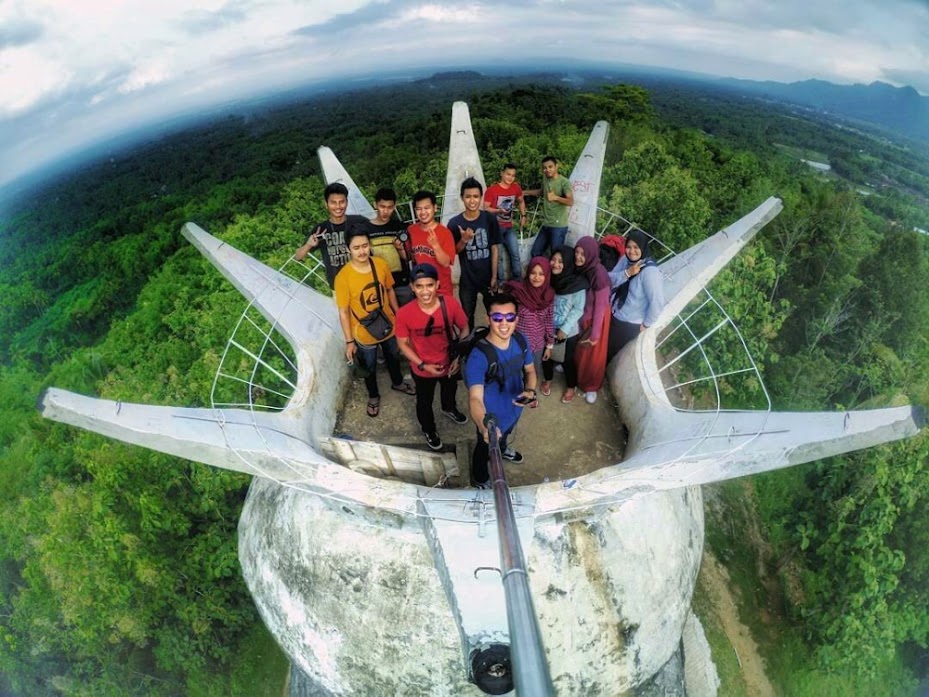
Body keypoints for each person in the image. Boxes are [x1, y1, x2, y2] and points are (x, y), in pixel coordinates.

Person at [334, 228, 416, 418]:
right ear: (348, 250)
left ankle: (397, 382)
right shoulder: (343, 277)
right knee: (369, 366)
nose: (362, 251)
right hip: (363, 331)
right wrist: (349, 341)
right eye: (356, 248)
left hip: (388, 323)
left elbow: (389, 291)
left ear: (369, 245)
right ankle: (373, 395)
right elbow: (344, 311)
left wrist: (398, 315)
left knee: (392, 356)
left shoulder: (380, 264)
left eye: (364, 246)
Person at [466, 292, 538, 488]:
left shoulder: (521, 341)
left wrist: (530, 391)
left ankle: (503, 448)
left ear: (517, 319)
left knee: (505, 435)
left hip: (514, 410)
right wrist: (483, 427)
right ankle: (480, 478)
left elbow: (530, 371)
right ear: (487, 319)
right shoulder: (478, 357)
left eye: (510, 317)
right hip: (491, 420)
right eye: (497, 318)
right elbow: (475, 399)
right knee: (484, 448)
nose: (504, 323)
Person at [395, 263, 470, 451]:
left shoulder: (450, 304)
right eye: (419, 286)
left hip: (448, 363)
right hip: (422, 369)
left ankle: (448, 408)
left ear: (437, 284)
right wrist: (422, 365)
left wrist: (457, 356)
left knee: (449, 389)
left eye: (429, 285)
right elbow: (402, 343)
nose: (425, 291)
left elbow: (465, 327)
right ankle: (429, 429)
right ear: (412, 287)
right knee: (424, 402)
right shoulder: (404, 314)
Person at [448, 177, 501, 331]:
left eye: (476, 196)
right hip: (467, 281)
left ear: (481, 197)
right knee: (466, 319)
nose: (472, 201)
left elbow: (494, 248)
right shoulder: (454, 223)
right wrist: (464, 240)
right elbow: (454, 252)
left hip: (488, 279)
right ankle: (469, 349)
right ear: (462, 198)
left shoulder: (489, 219)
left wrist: (494, 277)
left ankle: (495, 347)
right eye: (468, 197)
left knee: (495, 315)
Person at [295, 182, 369, 289]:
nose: (338, 206)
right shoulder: (320, 230)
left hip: (364, 283)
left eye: (341, 202)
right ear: (326, 204)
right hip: (339, 288)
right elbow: (298, 256)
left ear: (347, 202)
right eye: (333, 202)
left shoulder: (359, 221)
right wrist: (309, 244)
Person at [607, 230, 666, 363]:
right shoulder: (625, 260)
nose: (631, 251)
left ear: (643, 248)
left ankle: (594, 379)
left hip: (627, 323)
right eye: (628, 247)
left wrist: (646, 324)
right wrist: (627, 273)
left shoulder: (650, 273)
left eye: (636, 247)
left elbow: (657, 302)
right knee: (601, 345)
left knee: (608, 351)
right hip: (613, 310)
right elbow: (609, 279)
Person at [540, 246, 589, 402]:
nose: (555, 264)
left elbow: (578, 309)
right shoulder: (547, 279)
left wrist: (565, 328)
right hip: (548, 328)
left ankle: (570, 386)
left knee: (567, 361)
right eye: (553, 259)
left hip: (568, 332)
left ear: (568, 263)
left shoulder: (577, 285)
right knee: (545, 357)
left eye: (561, 261)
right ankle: (548, 379)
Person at [572, 236, 612, 404]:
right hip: (584, 315)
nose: (578, 257)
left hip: (597, 320)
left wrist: (595, 334)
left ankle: (591, 386)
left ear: (591, 254)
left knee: (593, 355)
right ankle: (576, 378)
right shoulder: (584, 269)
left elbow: (600, 307)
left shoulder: (599, 275)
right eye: (577, 252)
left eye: (583, 254)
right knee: (579, 350)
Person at [503, 257, 555, 380]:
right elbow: (508, 318)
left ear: (547, 275)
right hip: (516, 343)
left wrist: (549, 346)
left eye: (541, 274)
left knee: (531, 373)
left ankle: (528, 394)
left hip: (537, 345)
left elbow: (548, 320)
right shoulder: (518, 293)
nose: (536, 277)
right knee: (514, 373)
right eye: (533, 273)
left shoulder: (548, 296)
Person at [365, 187, 412, 304]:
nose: (386, 211)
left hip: (402, 283)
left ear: (394, 206)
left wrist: (401, 249)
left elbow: (409, 257)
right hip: (379, 285)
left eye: (390, 207)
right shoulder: (365, 229)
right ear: (375, 204)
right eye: (382, 206)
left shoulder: (401, 227)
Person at [406, 190, 456, 298]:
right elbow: (411, 257)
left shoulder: (445, 233)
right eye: (418, 209)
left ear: (435, 208)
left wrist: (436, 246)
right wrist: (400, 248)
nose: (423, 212)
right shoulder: (411, 230)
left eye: (427, 208)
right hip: (421, 290)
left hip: (442, 289)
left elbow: (446, 263)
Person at [483, 163, 527, 283]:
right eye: (508, 174)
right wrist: (498, 210)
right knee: (499, 257)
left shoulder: (516, 188)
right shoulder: (492, 190)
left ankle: (518, 281)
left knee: (515, 254)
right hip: (495, 228)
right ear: (502, 173)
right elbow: (485, 208)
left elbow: (521, 201)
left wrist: (523, 215)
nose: (510, 178)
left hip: (509, 227)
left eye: (513, 175)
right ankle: (500, 282)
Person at [524, 156, 574, 259]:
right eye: (545, 168)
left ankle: (555, 275)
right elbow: (542, 192)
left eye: (550, 167)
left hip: (558, 226)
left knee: (556, 257)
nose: (547, 170)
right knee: (535, 252)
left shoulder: (564, 182)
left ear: (556, 167)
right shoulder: (546, 178)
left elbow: (570, 201)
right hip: (546, 224)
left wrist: (556, 197)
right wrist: (525, 192)